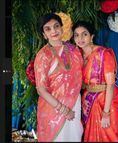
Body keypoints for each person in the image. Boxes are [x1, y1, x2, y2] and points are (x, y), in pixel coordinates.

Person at [72, 20, 118, 142]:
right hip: (89, 102)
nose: (80, 38)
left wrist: (106, 113)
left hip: (108, 101)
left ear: (92, 36)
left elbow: (111, 85)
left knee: (112, 136)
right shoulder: (78, 55)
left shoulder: (103, 54)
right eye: (76, 35)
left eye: (84, 34)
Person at [34, 13, 83, 142]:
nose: (54, 31)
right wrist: (64, 110)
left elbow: (79, 78)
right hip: (53, 109)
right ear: (44, 34)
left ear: (62, 28)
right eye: (48, 29)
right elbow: (41, 89)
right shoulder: (43, 55)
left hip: (74, 104)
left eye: (56, 26)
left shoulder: (74, 50)